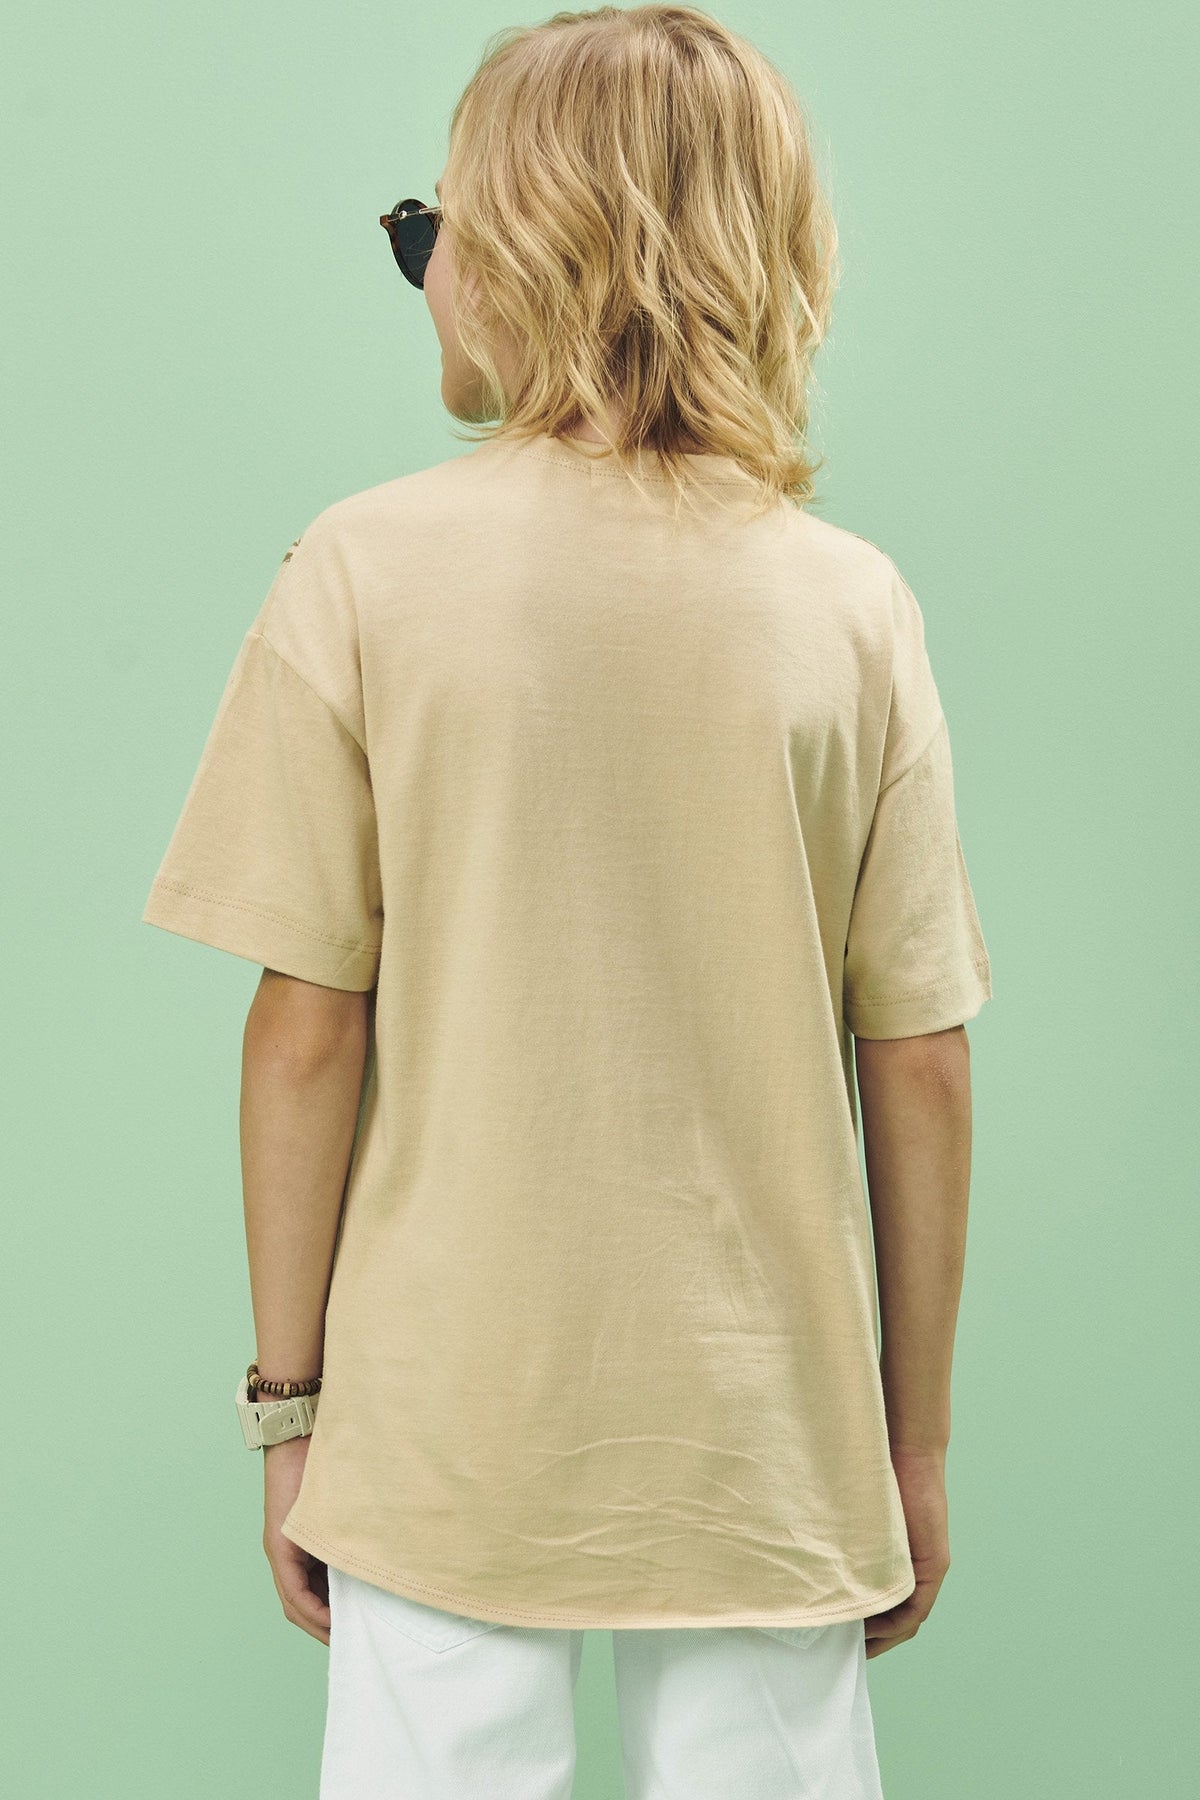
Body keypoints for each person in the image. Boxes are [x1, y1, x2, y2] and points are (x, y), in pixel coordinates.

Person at [141, 6, 992, 1795]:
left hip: (444, 1425)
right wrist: (911, 1448)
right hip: (767, 1440)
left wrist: (289, 1413)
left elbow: (306, 1033)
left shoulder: (360, 570)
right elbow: (916, 1057)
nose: (424, 276)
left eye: (430, 232)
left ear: (524, 253)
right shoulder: (853, 605)